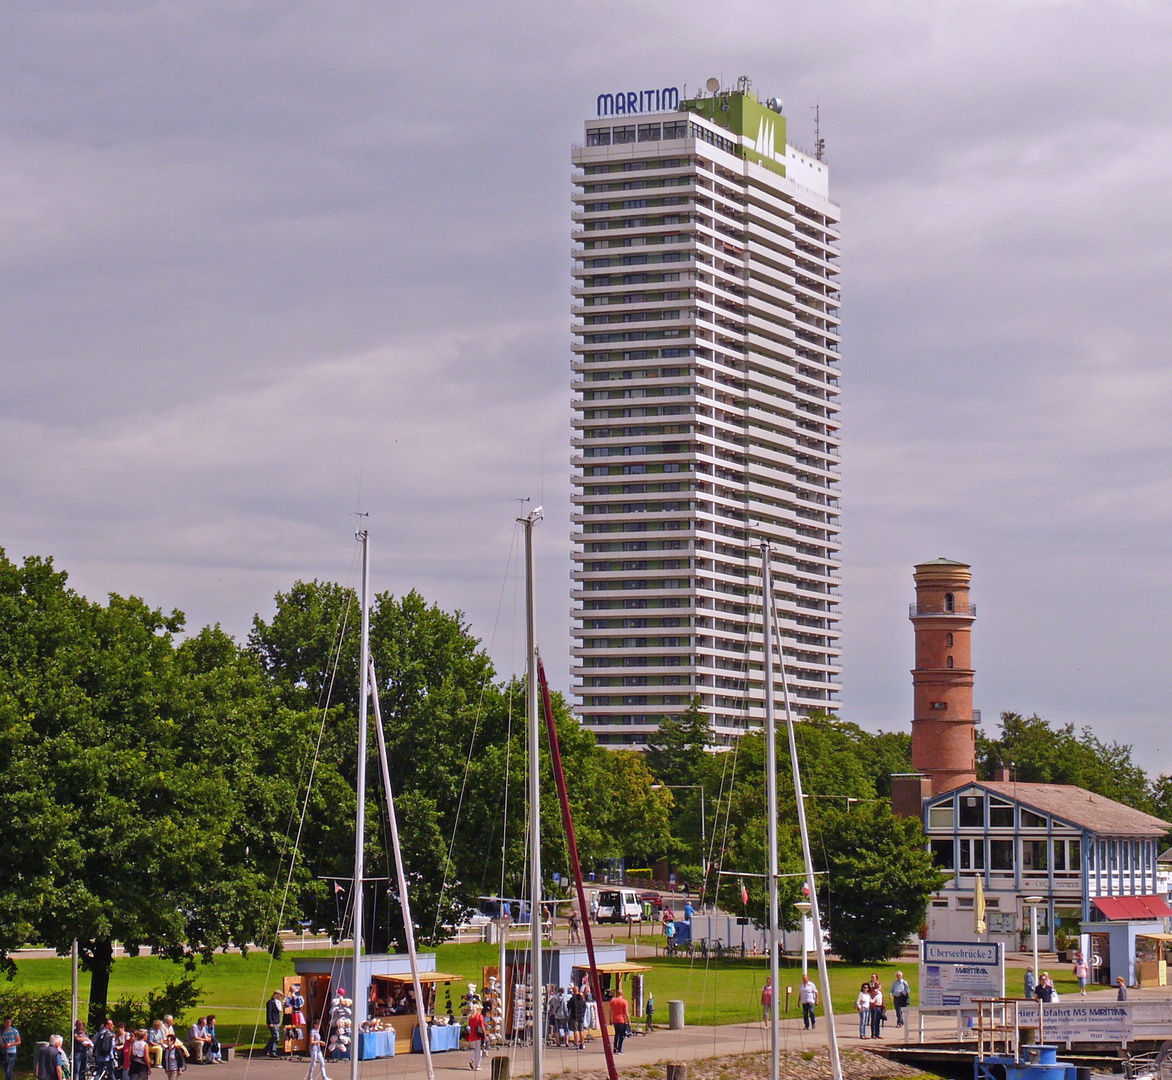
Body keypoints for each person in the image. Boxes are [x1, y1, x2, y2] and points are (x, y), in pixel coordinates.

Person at [609, 986, 630, 1054]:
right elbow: (626, 1011)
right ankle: (619, 1049)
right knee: (622, 1035)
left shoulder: (613, 1001)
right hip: (622, 1020)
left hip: (615, 1020)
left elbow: (610, 1010)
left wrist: (610, 1019)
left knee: (616, 1034)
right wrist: (628, 1019)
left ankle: (615, 1047)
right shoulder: (624, 1002)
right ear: (622, 994)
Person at [466, 1005, 486, 1072]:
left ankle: (473, 1060)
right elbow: (482, 1026)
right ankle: (477, 1065)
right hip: (478, 1035)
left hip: (472, 1036)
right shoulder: (480, 1017)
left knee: (476, 1050)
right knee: (478, 1051)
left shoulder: (471, 1017)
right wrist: (485, 1035)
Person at [568, 985, 587, 1050]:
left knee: (575, 1030)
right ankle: (582, 1043)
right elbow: (585, 1007)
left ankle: (576, 1043)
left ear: (573, 991)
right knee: (581, 1030)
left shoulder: (573, 999)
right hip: (581, 1016)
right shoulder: (582, 999)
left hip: (574, 1016)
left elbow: (568, 1006)